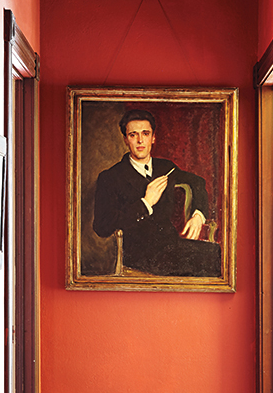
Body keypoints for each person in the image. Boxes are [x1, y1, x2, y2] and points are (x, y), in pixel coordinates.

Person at [93, 108, 221, 277]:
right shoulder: (110, 177)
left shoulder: (165, 167)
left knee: (218, 255)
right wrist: (145, 203)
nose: (140, 140)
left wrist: (198, 215)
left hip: (172, 247)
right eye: (133, 135)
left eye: (145, 134)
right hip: (140, 256)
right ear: (126, 139)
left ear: (153, 138)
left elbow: (198, 182)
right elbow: (102, 226)